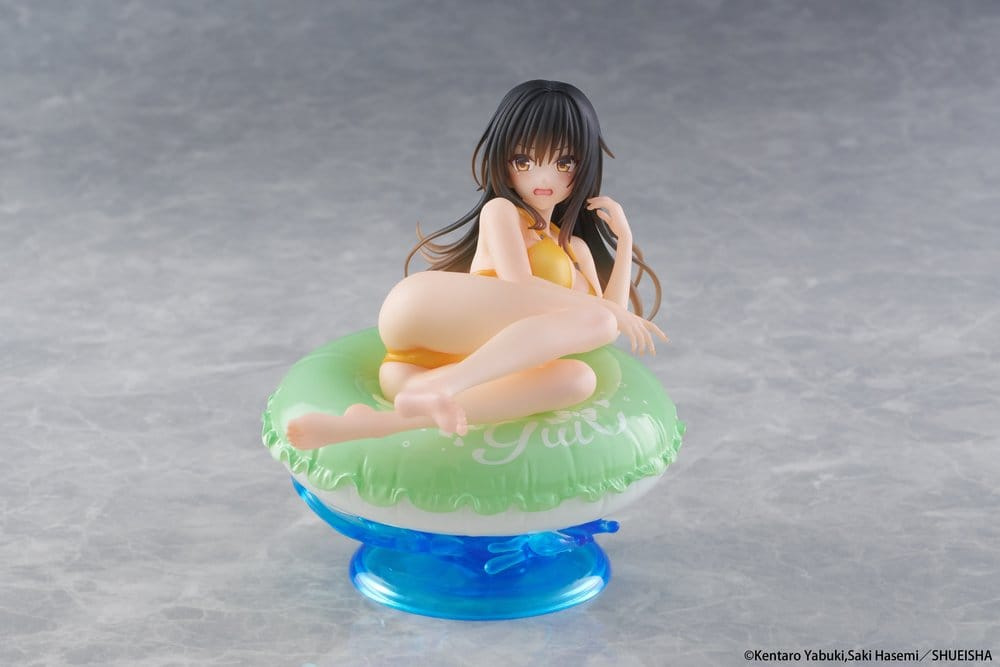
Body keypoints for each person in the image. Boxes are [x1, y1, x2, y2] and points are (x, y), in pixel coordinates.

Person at [286, 80, 667, 450]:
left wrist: (624, 241)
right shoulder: (503, 211)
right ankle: (442, 389)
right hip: (419, 313)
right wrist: (605, 312)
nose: (543, 177)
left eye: (564, 162)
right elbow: (520, 283)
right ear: (503, 161)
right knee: (599, 319)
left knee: (578, 379)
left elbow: (612, 320)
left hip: (413, 379)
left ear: (585, 167)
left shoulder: (575, 249)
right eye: (524, 160)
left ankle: (375, 424)